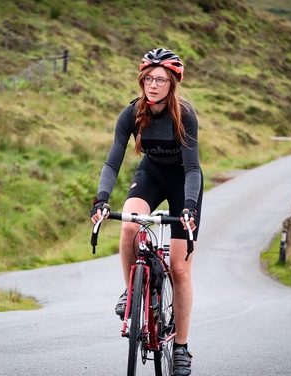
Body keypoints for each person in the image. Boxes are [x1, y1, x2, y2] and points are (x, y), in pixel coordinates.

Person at [90, 48, 203, 376]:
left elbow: (193, 167)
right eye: (148, 79)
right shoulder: (131, 114)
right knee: (128, 226)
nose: (153, 85)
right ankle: (132, 290)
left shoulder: (185, 115)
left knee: (180, 271)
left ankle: (180, 347)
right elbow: (113, 161)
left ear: (172, 84)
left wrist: (190, 208)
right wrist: (101, 200)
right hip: (151, 176)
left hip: (183, 182)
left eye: (161, 80)